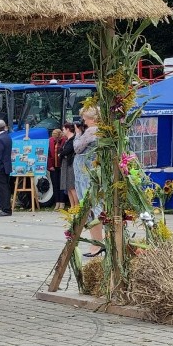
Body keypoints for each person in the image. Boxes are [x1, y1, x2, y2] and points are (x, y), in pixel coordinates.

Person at [73, 106, 103, 257]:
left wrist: (77, 134)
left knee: (91, 207)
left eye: (84, 118)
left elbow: (77, 148)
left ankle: (97, 243)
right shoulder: (100, 130)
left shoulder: (92, 130)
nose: (83, 121)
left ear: (91, 118)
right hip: (88, 172)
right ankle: (97, 242)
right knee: (92, 207)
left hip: (86, 174)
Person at [58, 122, 78, 207]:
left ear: (68, 129)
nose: (62, 131)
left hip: (70, 164)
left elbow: (66, 151)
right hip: (65, 163)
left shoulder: (73, 139)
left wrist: (61, 154)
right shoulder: (67, 140)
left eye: (63, 129)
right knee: (67, 187)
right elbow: (61, 150)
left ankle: (77, 206)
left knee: (72, 186)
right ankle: (72, 206)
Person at [48, 127, 64, 210]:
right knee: (55, 185)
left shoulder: (64, 140)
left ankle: (62, 202)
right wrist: (50, 165)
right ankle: (57, 202)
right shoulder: (50, 141)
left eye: (55, 137)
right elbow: (48, 154)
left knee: (61, 185)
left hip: (61, 166)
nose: (53, 138)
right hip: (53, 166)